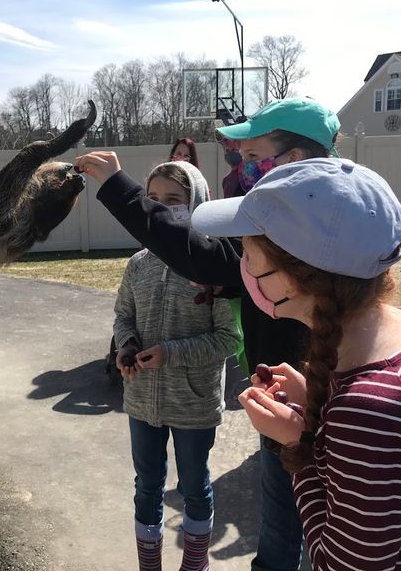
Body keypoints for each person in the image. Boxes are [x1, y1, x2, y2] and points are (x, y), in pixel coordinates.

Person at [77, 97, 340, 571]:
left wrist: (120, 189)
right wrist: (225, 285)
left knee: (303, 528)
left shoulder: (297, 226)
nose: (247, 169)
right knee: (288, 524)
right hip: (285, 395)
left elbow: (199, 253)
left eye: (257, 158)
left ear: (295, 160)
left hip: (307, 400)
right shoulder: (316, 212)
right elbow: (219, 269)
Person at [193, 158, 401, 570]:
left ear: (296, 276)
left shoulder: (365, 411)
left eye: (248, 252)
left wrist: (296, 446)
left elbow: (340, 563)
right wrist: (320, 399)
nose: (242, 265)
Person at [114, 160, 239, 571]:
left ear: (197, 203)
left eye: (174, 200)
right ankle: (149, 565)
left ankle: (194, 564)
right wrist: (126, 345)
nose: (162, 208)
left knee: (193, 485)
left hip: (194, 401)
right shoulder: (138, 264)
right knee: (146, 485)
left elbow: (229, 338)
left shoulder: (214, 264)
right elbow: (123, 316)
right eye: (153, 200)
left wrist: (171, 353)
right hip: (141, 400)